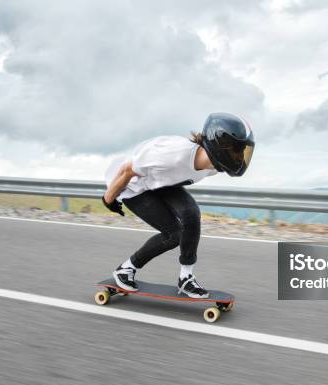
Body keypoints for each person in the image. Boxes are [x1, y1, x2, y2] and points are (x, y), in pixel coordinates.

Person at [102, 112, 255, 298]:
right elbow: (127, 170)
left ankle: (186, 278)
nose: (240, 158)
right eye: (238, 151)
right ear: (221, 145)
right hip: (133, 187)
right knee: (173, 234)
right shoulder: (172, 155)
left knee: (191, 213)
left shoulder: (213, 168)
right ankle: (125, 270)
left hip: (159, 183)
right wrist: (109, 198)